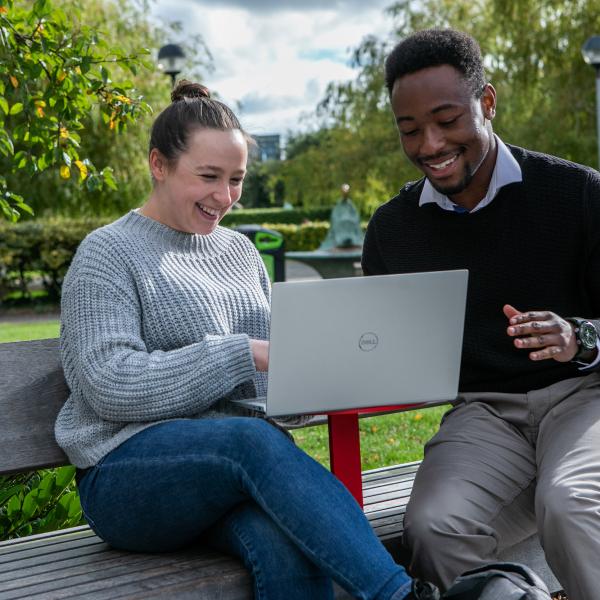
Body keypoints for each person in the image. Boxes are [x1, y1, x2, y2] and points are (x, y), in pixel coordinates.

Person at [55, 80, 415, 600]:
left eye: (237, 180)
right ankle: (401, 596)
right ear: (159, 164)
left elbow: (269, 378)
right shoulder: (107, 254)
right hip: (124, 479)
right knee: (250, 442)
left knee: (286, 542)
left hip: (231, 476)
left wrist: (311, 383)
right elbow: (111, 385)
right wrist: (242, 353)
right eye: (208, 177)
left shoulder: (240, 254)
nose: (224, 197)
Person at [362, 28, 600, 600]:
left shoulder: (578, 194)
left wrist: (580, 337)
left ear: (487, 102)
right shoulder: (392, 231)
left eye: (446, 119)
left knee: (570, 504)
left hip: (585, 395)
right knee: (433, 527)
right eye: (410, 129)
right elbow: (380, 349)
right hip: (484, 414)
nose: (430, 143)